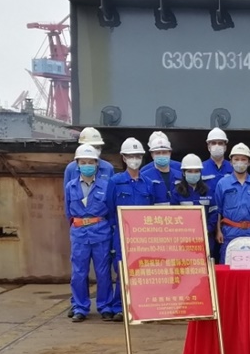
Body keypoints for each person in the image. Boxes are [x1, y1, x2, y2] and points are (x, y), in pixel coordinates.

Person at [63, 127, 113, 318]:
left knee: (103, 273)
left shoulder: (106, 177)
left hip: (100, 231)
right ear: (77, 163)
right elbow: (67, 206)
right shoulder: (71, 181)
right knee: (78, 273)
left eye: (90, 162)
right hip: (79, 232)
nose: (87, 165)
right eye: (83, 162)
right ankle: (79, 307)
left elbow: (110, 205)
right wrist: (75, 225)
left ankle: (105, 306)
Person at [106, 138, 155, 322]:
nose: (134, 159)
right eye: (130, 156)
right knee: (122, 269)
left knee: (142, 271)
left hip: (143, 235)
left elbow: (151, 208)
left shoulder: (148, 183)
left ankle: (140, 306)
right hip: (122, 233)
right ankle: (119, 307)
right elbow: (110, 208)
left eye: (137, 156)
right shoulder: (115, 182)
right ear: (124, 158)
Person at [215, 143, 250, 264]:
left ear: (249, 162)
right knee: (228, 269)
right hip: (230, 233)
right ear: (230, 162)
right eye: (236, 159)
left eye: (243, 159)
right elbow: (218, 210)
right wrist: (218, 231)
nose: (240, 162)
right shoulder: (223, 183)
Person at [202, 127, 233, 261]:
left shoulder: (233, 168)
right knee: (206, 258)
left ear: (226, 146)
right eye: (213, 143)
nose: (217, 146)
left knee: (225, 259)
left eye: (220, 143)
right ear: (208, 146)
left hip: (228, 222)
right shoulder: (200, 168)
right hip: (206, 220)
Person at [142, 135, 182, 205]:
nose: (161, 155)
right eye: (158, 153)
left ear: (170, 153)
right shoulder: (144, 177)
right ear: (152, 155)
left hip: (177, 215)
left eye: (164, 152)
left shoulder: (180, 176)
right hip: (155, 215)